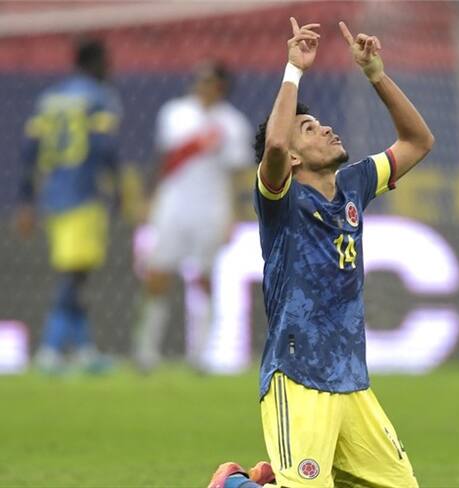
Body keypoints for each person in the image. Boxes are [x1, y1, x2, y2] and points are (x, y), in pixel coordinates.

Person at [208, 16, 434, 488]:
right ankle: (234, 484)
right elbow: (273, 140)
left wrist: (375, 74)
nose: (326, 128)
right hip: (298, 375)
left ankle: (269, 483)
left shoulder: (354, 184)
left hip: (352, 378)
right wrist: (294, 69)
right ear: (291, 157)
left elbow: (417, 141)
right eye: (308, 128)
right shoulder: (280, 200)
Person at [133, 62, 254, 373]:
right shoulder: (174, 113)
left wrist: (234, 216)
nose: (201, 85)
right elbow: (161, 160)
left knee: (204, 279)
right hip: (172, 206)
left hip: (211, 209)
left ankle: (199, 354)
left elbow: (236, 176)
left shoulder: (233, 124)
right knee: (158, 274)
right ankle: (146, 351)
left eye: (209, 80)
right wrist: (149, 198)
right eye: (199, 79)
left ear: (222, 86)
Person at [15, 38, 121, 374]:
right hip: (83, 193)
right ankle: (50, 347)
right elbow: (105, 147)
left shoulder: (49, 99)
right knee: (74, 275)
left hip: (53, 194)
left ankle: (84, 349)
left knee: (76, 274)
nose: (111, 68)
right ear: (95, 62)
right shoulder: (99, 99)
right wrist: (117, 187)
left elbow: (29, 150)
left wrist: (26, 200)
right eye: (107, 60)